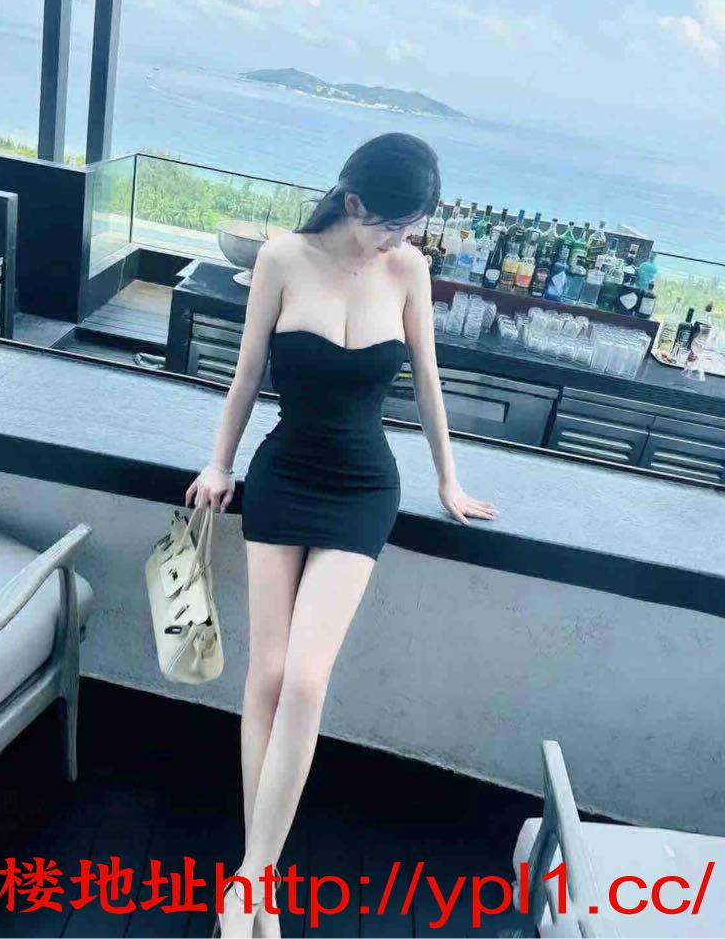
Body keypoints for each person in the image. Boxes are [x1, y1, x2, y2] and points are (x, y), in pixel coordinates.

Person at [185, 132, 497, 938]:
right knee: (267, 673)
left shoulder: (408, 270)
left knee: (306, 678)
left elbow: (428, 382)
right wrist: (219, 463)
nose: (402, 239)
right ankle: (259, 884)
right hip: (284, 475)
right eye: (393, 223)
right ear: (354, 202)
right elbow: (246, 373)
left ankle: (251, 882)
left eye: (413, 226)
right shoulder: (283, 259)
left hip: (363, 488)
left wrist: (449, 479)